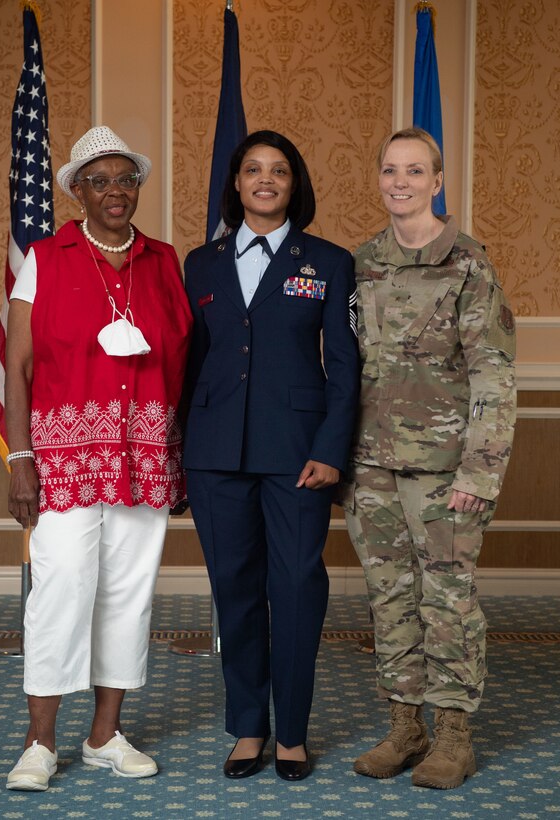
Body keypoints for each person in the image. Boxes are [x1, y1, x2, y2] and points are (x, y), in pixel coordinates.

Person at [4, 126, 192, 791]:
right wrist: (20, 458)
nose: (116, 191)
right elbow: (17, 366)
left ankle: (105, 735)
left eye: (126, 179)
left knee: (129, 595)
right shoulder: (46, 258)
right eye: (101, 180)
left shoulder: (165, 261)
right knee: (60, 592)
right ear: (78, 191)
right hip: (63, 459)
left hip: (145, 455)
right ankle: (39, 743)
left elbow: (187, 361)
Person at [338, 127, 516, 789]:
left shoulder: (467, 262)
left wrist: (480, 470)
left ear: (437, 182)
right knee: (391, 599)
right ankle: (404, 726)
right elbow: (345, 366)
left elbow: (494, 375)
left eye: (415, 171)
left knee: (447, 601)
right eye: (390, 170)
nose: (400, 182)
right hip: (371, 467)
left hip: (446, 470)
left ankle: (454, 737)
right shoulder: (361, 263)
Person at [183, 130, 360, 781]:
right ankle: (249, 726)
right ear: (235, 183)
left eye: (278, 170)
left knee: (295, 588)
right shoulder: (200, 263)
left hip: (299, 457)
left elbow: (345, 367)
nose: (265, 180)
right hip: (214, 455)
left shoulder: (329, 262)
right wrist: (180, 452)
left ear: (294, 183)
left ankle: (291, 733)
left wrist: (331, 450)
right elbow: (189, 364)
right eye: (253, 169)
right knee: (234, 591)